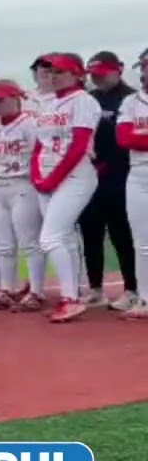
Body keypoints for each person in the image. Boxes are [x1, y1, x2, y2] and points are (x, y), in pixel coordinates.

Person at [32, 52, 100, 323]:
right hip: (50, 176)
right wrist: (37, 176)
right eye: (50, 71)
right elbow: (40, 145)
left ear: (76, 74)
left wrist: (52, 179)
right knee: (67, 239)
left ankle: (69, 298)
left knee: (50, 238)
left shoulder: (83, 101)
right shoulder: (49, 104)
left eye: (59, 71)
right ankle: (75, 294)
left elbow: (79, 146)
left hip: (75, 176)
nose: (53, 75)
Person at [77, 51, 139, 311]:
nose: (98, 79)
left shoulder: (131, 98)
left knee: (121, 235)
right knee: (90, 232)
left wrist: (108, 164)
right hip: (91, 174)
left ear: (119, 69)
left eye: (102, 74)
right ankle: (95, 288)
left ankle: (132, 289)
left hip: (120, 175)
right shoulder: (89, 99)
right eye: (94, 75)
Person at [0, 81, 45, 312]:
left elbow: (39, 153)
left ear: (15, 98)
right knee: (4, 245)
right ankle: (6, 289)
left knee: (29, 243)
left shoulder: (29, 123)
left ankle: (36, 291)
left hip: (22, 185)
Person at [114, 50, 148, 319]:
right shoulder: (130, 101)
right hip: (138, 173)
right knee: (142, 243)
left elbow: (134, 136)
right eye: (145, 66)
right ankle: (146, 299)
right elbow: (124, 139)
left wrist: (141, 134)